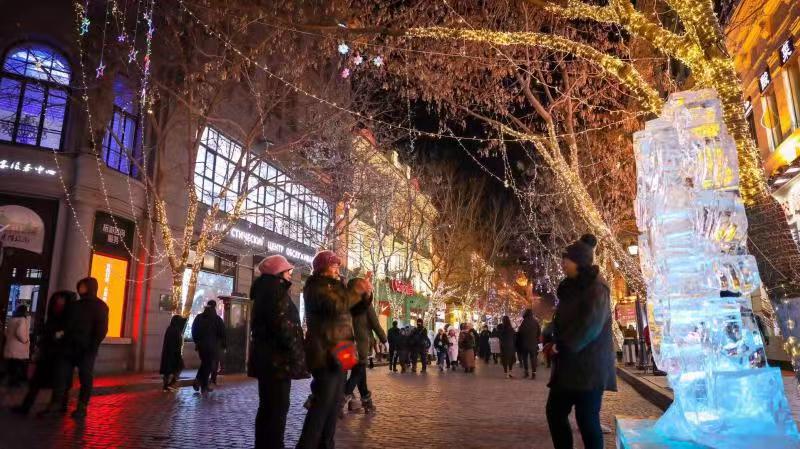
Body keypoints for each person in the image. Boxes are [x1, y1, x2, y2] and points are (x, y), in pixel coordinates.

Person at [546, 234, 616, 449]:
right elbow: (562, 320)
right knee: (555, 412)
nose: (562, 263)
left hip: (589, 367)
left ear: (579, 261)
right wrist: (551, 337)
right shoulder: (570, 287)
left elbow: (590, 326)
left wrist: (563, 345)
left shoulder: (597, 287)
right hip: (569, 366)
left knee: (586, 419)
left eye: (566, 259)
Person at [296, 250, 371, 449]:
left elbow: (354, 310)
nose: (337, 268)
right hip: (325, 351)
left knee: (335, 403)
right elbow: (336, 306)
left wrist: (365, 295)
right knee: (323, 403)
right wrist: (357, 291)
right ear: (323, 267)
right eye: (333, 265)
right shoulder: (316, 286)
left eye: (338, 265)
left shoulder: (337, 286)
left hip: (341, 350)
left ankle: (326, 444)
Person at [249, 255, 308, 449]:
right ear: (278, 273)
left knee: (267, 407)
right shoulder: (276, 292)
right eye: (287, 271)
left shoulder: (264, 291)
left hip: (267, 360)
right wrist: (296, 347)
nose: (290, 274)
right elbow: (283, 326)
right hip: (278, 361)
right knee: (277, 408)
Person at [47, 277, 109, 419]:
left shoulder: (100, 306)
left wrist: (92, 345)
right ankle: (57, 403)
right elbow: (66, 323)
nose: (80, 289)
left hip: (86, 349)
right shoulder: (75, 305)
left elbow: (101, 329)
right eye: (80, 286)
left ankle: (81, 407)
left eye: (83, 286)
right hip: (68, 347)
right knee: (61, 375)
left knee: (85, 378)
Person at [12, 291, 77, 415]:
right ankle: (27, 406)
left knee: (59, 383)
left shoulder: (68, 320)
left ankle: (57, 407)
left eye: (61, 301)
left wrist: (54, 337)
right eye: (56, 301)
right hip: (48, 355)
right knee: (38, 382)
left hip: (60, 356)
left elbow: (64, 335)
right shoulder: (54, 317)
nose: (58, 304)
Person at [343, 281, 387, 414]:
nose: (370, 290)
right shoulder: (365, 304)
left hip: (346, 343)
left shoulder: (344, 302)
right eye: (368, 288)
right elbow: (375, 324)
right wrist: (384, 340)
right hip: (361, 344)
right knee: (358, 372)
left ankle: (366, 401)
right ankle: (342, 398)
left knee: (360, 373)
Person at [192, 300, 226, 394]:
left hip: (201, 347)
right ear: (214, 307)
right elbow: (222, 333)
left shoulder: (199, 317)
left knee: (205, 363)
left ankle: (199, 382)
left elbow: (194, 330)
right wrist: (223, 345)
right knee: (208, 365)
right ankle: (203, 385)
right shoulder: (217, 319)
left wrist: (197, 342)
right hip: (212, 347)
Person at [4, 305, 30, 387]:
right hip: (18, 348)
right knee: (18, 365)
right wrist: (25, 340)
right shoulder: (23, 320)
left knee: (12, 365)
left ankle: (11, 382)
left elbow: (6, 332)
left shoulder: (12, 319)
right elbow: (19, 332)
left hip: (10, 346)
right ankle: (15, 382)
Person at [159, 315, 186, 392]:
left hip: (169, 353)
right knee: (178, 368)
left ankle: (166, 386)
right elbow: (176, 342)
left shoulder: (170, 329)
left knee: (168, 370)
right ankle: (170, 385)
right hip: (174, 353)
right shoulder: (175, 330)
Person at [517, 309, 541, 379]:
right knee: (533, 358)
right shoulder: (535, 322)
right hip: (533, 343)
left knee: (525, 358)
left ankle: (526, 373)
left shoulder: (524, 322)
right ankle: (534, 374)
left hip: (524, 344)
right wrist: (536, 339)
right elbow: (539, 332)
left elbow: (520, 333)